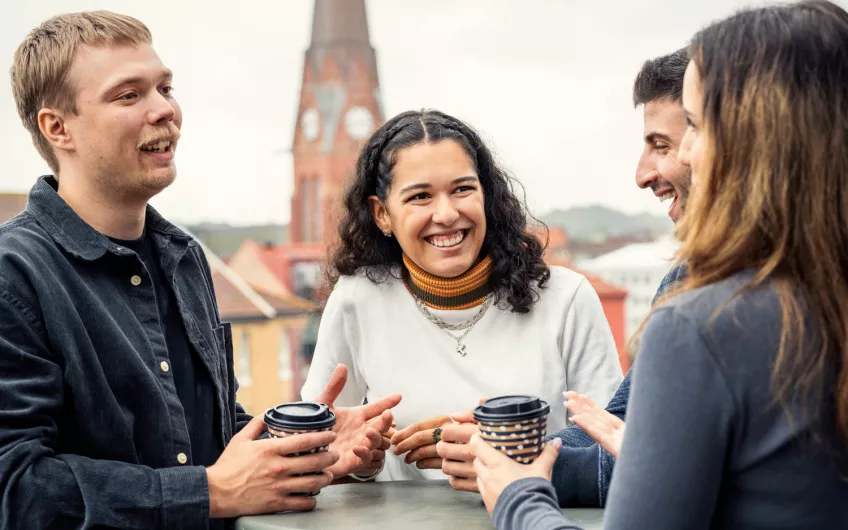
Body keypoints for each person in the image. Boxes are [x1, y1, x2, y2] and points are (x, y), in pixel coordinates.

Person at [0, 12, 399, 529]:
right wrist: (209, 492)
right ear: (58, 128)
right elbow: (15, 487)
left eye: (165, 87)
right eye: (129, 95)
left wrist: (302, 452)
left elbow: (203, 440)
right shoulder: (15, 276)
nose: (164, 109)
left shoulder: (183, 257)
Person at [473, 1, 848, 528]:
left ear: (755, 141)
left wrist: (518, 496)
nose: (685, 154)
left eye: (692, 125)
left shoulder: (705, 326)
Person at [301, 109, 624, 481]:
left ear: (486, 195)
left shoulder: (566, 299)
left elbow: (612, 452)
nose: (447, 213)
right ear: (381, 214)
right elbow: (321, 450)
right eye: (420, 196)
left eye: (462, 189)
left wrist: (507, 454)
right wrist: (359, 466)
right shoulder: (357, 299)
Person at [437, 48, 691, 507]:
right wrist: (509, 453)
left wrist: (519, 479)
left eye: (663, 145)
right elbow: (619, 431)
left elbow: (679, 472)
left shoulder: (735, 300)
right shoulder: (687, 278)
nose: (641, 173)